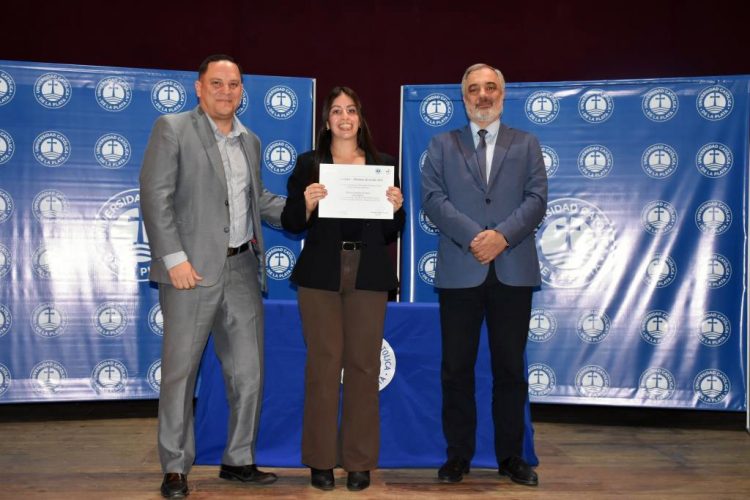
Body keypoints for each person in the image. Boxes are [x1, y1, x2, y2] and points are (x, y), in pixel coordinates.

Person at [140, 54, 285, 498]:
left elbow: (258, 200)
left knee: (249, 373)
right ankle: (175, 467)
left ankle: (238, 460)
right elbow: (155, 196)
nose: (226, 91)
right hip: (190, 271)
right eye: (217, 83)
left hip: (242, 268)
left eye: (233, 84)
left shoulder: (250, 140)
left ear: (243, 91)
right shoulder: (172, 128)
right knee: (180, 374)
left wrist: (312, 205)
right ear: (199, 88)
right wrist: (175, 259)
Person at [421, 63, 548, 487]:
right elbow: (433, 198)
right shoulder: (441, 144)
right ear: (464, 98)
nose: (483, 95)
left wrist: (502, 237)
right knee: (456, 369)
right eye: (474, 89)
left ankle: (511, 457)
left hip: (512, 271)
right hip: (461, 269)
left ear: (502, 95)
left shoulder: (527, 143)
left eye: (490, 87)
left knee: (510, 369)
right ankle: (458, 455)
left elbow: (536, 199)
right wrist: (477, 237)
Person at [281, 86, 405, 492]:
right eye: (336, 111)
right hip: (320, 275)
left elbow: (391, 231)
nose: (345, 117)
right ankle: (320, 461)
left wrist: (396, 207)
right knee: (323, 365)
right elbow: (292, 222)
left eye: (351, 110)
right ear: (326, 121)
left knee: (364, 368)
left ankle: (359, 461)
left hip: (368, 274)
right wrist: (306, 204)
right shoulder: (309, 164)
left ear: (360, 118)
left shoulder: (383, 165)